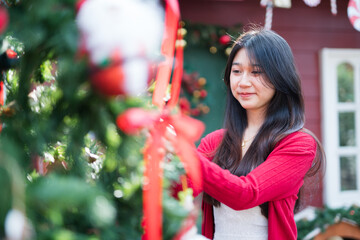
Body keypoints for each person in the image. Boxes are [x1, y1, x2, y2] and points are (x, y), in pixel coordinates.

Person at [185, 28, 325, 240]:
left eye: (256, 72)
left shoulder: (298, 144)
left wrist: (184, 153)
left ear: (280, 77)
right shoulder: (215, 141)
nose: (243, 82)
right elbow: (182, 186)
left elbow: (246, 194)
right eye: (237, 71)